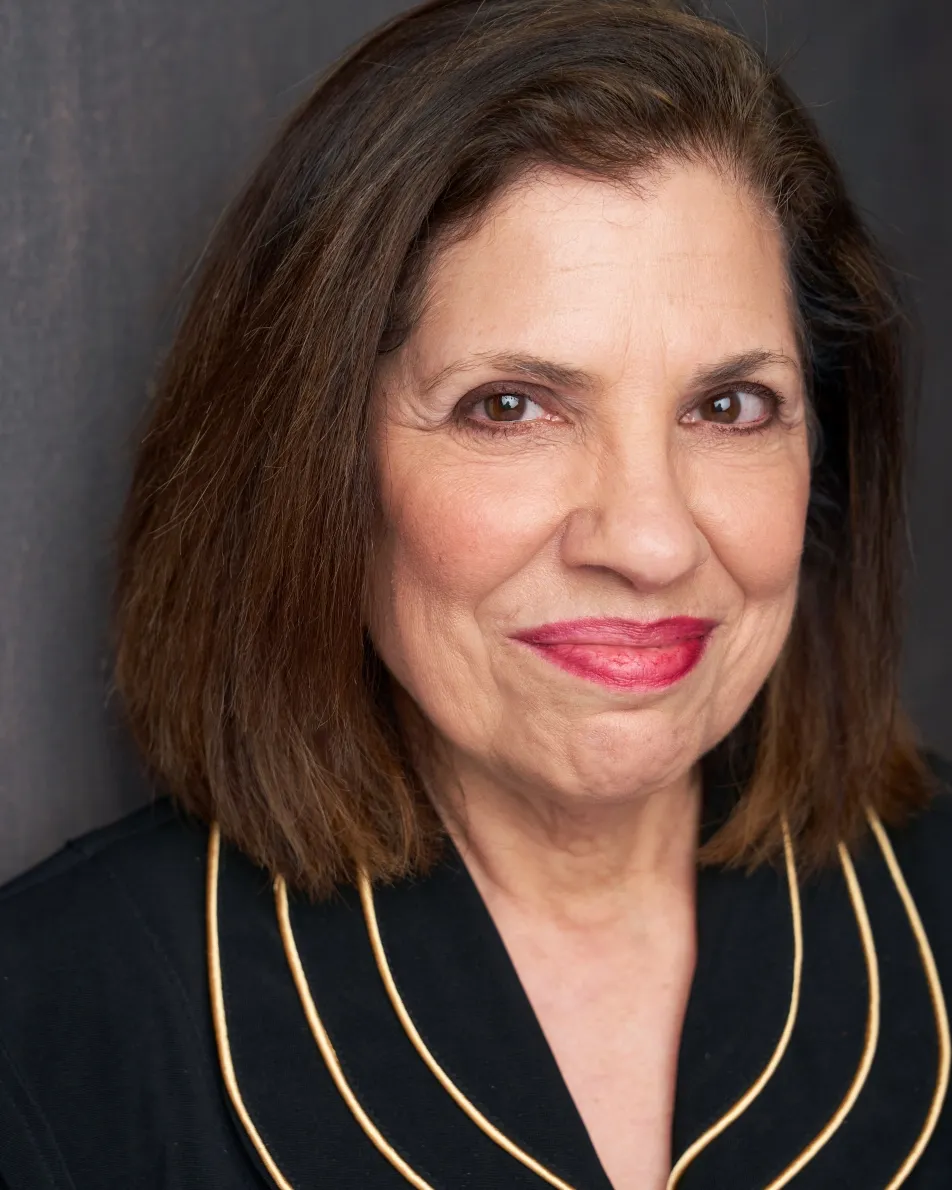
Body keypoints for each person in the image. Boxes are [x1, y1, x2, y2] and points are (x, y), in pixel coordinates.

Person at [0, 0, 949, 1186]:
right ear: (318, 463)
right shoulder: (51, 1028)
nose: (648, 539)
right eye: (509, 407)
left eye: (728, 406)